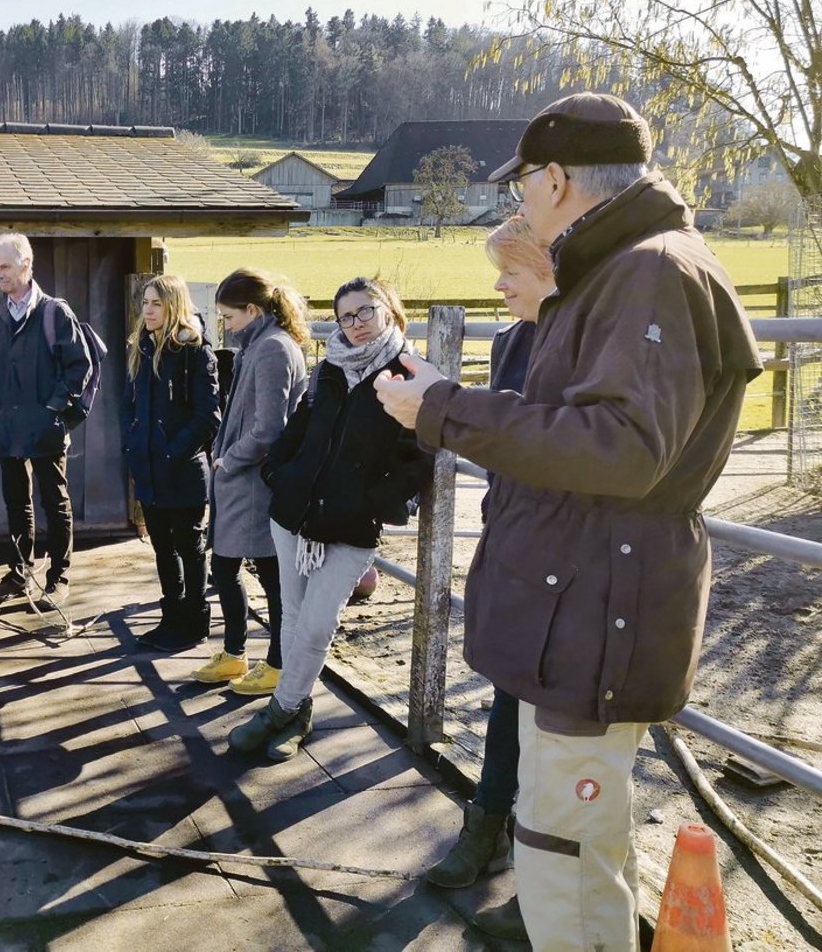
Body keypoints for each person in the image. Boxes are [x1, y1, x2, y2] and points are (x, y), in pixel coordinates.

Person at [373, 92, 761, 950]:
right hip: (579, 606)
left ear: (555, 179)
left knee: (567, 853)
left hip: (594, 610)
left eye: (524, 187)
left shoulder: (649, 271)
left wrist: (443, 406)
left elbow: (621, 449)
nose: (521, 203)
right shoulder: (628, 269)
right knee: (565, 842)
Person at [227, 277, 432, 760]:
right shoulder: (328, 369)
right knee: (294, 621)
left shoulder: (410, 376)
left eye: (365, 312)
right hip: (293, 516)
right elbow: (296, 429)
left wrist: (375, 503)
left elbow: (419, 457)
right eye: (345, 316)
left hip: (351, 527)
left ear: (388, 310)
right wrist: (278, 474)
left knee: (318, 626)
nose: (356, 324)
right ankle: (298, 715)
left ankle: (278, 712)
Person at [424, 218, 555, 943]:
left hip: (563, 545)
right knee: (508, 689)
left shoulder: (584, 342)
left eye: (510, 270)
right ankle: (487, 827)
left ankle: (534, 866)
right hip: (512, 531)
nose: (498, 285)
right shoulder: (511, 341)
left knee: (553, 716)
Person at [197, 268, 308, 693]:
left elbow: (269, 428)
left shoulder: (272, 349)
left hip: (254, 482)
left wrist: (228, 460)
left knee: (269, 574)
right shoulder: (260, 344)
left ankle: (276, 663)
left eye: (229, 317)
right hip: (244, 481)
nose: (226, 326)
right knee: (228, 567)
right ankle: (236, 654)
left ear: (252, 310)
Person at [0, 233, 91, 606]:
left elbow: (79, 366)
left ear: (26, 265)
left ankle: (59, 578)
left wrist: (53, 409)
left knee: (55, 501)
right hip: (7, 426)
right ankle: (20, 572)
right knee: (16, 501)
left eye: (5, 266)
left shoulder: (55, 313)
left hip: (45, 426)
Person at [123, 275, 221, 652]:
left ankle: (194, 623)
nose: (147, 310)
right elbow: (130, 406)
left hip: (183, 472)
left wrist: (171, 452)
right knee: (162, 548)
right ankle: (171, 619)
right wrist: (133, 445)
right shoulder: (142, 346)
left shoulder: (195, 352)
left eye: (157, 304)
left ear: (174, 305)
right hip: (149, 469)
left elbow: (208, 416)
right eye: (145, 302)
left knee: (189, 549)